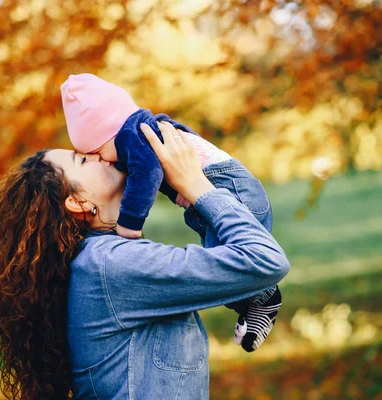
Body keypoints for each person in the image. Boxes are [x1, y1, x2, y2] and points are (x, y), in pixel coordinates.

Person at [0, 120, 290, 399]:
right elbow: (264, 260)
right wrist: (196, 186)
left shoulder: (98, 261)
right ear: (78, 202)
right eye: (82, 159)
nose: (97, 154)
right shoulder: (110, 266)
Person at [61, 73, 281, 352]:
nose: (102, 161)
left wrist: (129, 226)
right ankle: (258, 303)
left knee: (226, 270)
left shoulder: (132, 136)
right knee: (223, 268)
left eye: (96, 153)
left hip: (232, 189)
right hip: (232, 187)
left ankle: (265, 298)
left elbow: (147, 174)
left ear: (106, 135)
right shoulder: (142, 127)